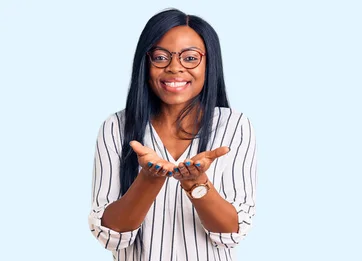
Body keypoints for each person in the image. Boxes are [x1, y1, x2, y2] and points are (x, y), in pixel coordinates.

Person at [88, 8, 257, 261]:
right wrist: (149, 179)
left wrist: (196, 183)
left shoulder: (234, 125)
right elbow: (110, 234)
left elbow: (230, 233)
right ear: (145, 63)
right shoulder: (116, 127)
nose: (175, 68)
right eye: (160, 57)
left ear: (209, 64)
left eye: (190, 58)